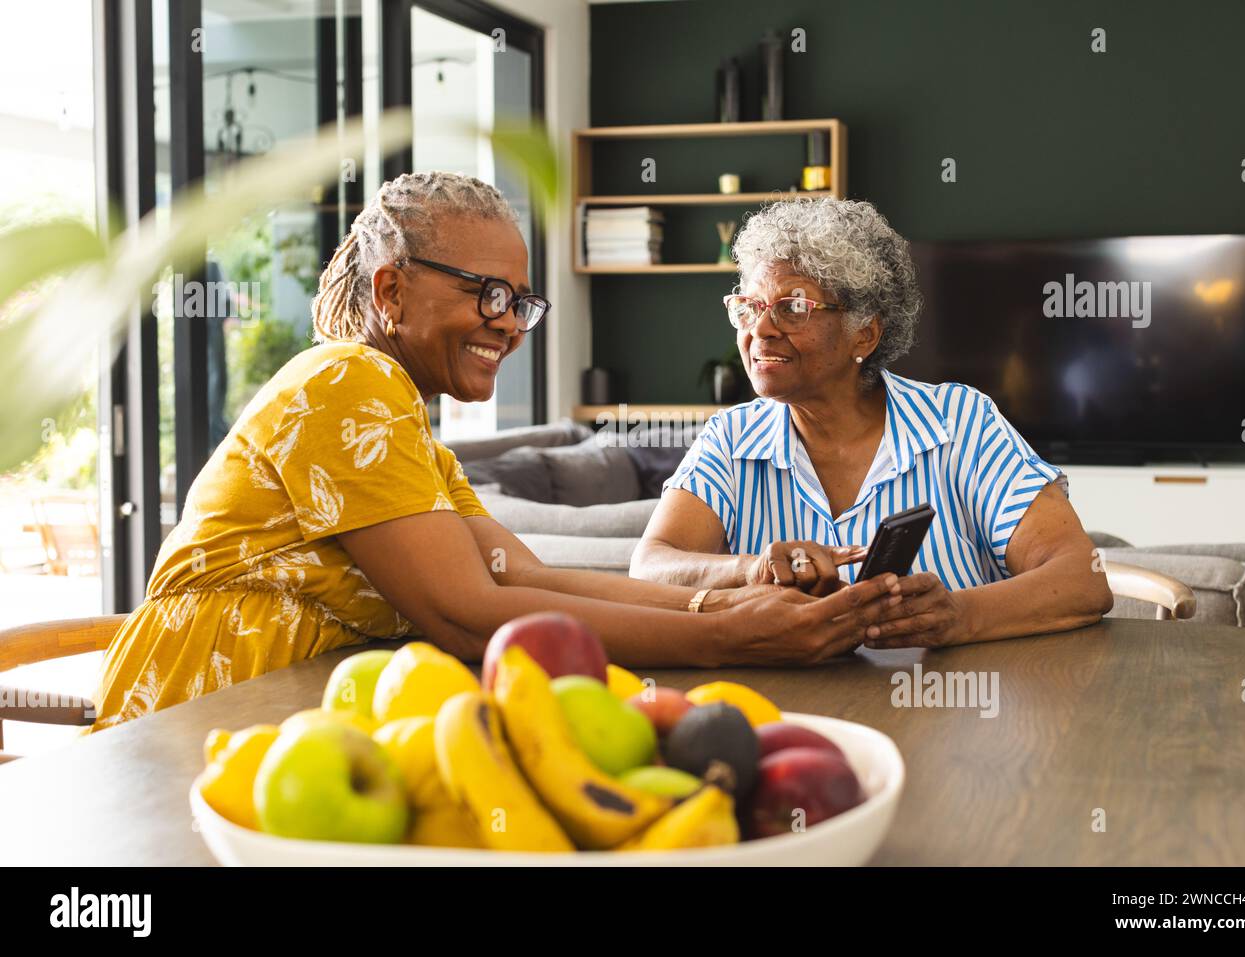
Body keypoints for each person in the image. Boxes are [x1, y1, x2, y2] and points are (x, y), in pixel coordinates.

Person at [91, 174, 901, 731]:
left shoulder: (411, 431)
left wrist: (732, 600)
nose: (510, 322)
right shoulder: (346, 381)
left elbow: (527, 576)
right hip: (191, 716)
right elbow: (467, 614)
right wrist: (736, 638)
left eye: (520, 301)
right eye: (488, 294)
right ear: (390, 291)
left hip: (282, 718)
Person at [630, 197, 1112, 648]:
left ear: (865, 332)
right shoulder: (731, 438)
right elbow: (651, 566)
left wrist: (958, 616)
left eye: (793, 307)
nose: (760, 329)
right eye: (749, 307)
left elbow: (1080, 577)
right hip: (792, 713)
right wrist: (752, 569)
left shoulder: (961, 422)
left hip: (955, 716)